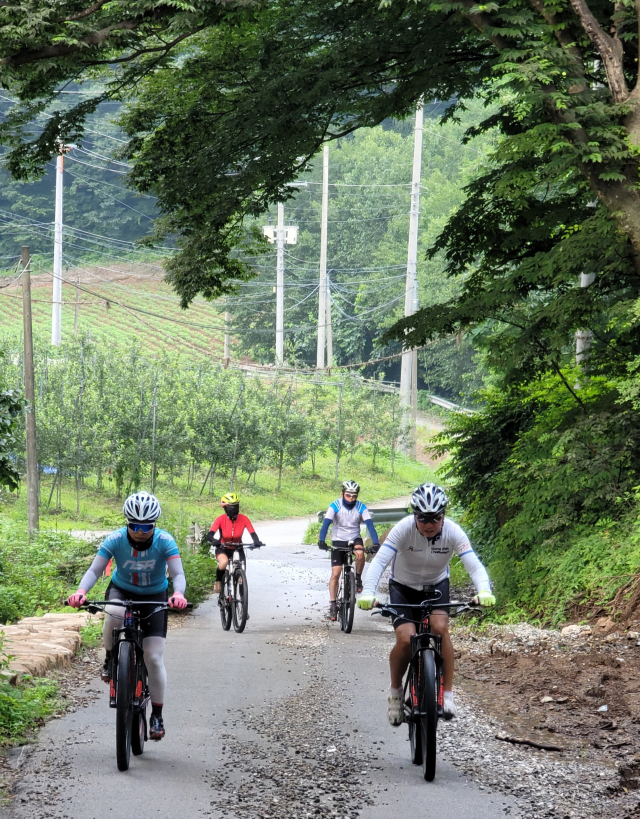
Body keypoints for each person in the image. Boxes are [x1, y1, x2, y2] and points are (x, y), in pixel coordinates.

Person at [356, 482, 495, 724]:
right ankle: (395, 694)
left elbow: (473, 564)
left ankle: (448, 695)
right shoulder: (403, 529)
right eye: (423, 518)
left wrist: (484, 590)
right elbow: (379, 562)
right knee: (406, 639)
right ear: (414, 516)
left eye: (435, 518)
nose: (429, 524)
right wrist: (368, 592)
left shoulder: (453, 532)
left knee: (440, 629)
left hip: (436, 587)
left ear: (443, 516)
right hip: (403, 588)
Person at [67, 491, 188, 741]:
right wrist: (80, 592)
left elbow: (178, 574)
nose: (140, 531)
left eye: (147, 526)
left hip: (154, 594)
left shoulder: (165, 541)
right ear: (127, 522)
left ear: (154, 525)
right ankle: (111, 658)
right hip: (121, 590)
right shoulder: (115, 539)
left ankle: (157, 715)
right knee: (114, 611)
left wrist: (178, 594)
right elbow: (94, 569)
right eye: (134, 525)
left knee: (153, 657)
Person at [318, 480, 380, 621]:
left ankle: (357, 578)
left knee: (360, 553)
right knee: (336, 572)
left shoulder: (361, 507)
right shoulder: (335, 505)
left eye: (354, 496)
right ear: (342, 494)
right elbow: (326, 523)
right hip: (338, 539)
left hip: (354, 538)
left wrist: (376, 543)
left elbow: (370, 526)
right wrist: (322, 540)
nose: (351, 498)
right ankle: (333, 605)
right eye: (348, 495)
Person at [206, 492, 262, 594]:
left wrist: (257, 542)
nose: (234, 509)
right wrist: (214, 541)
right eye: (231, 507)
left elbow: (252, 533)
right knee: (223, 563)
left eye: (236, 506)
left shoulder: (244, 519)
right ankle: (218, 581)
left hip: (238, 548)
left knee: (242, 570)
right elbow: (209, 535)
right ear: (225, 508)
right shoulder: (220, 519)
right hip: (223, 547)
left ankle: (242, 597)